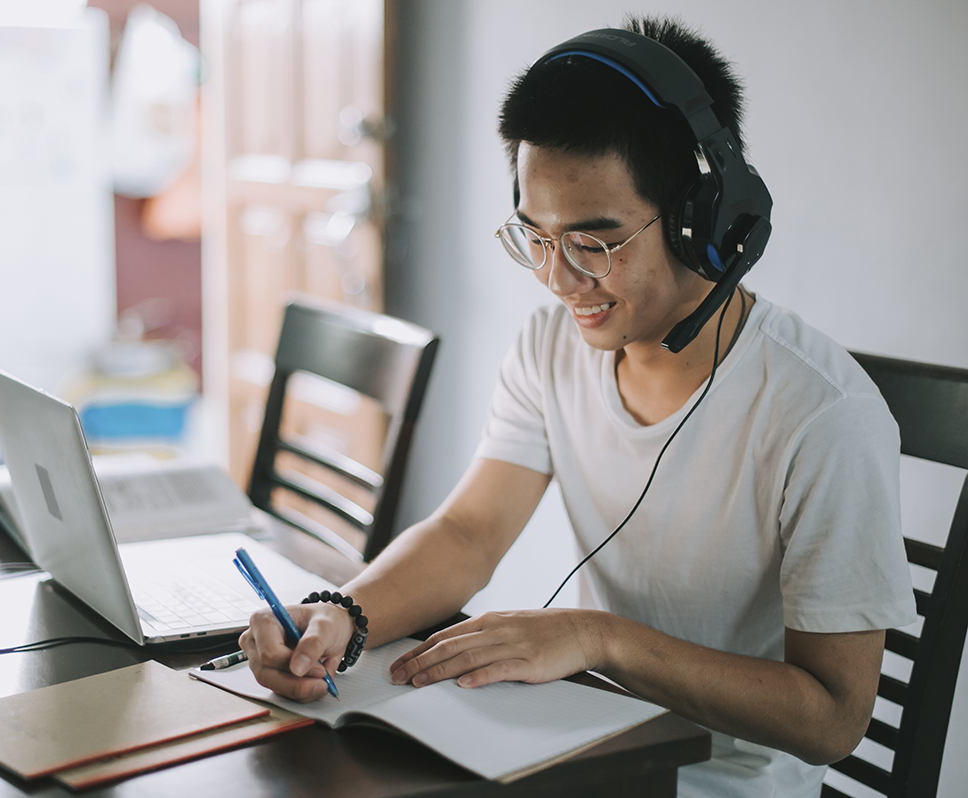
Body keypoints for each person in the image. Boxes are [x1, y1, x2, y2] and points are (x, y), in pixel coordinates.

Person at [239, 15, 916, 796]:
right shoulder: (549, 347)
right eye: (535, 235)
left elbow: (833, 719)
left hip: (720, 780)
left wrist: (600, 638)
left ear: (706, 219)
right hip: (577, 744)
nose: (559, 281)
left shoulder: (822, 415)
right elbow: (469, 531)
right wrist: (342, 616)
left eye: (595, 242)